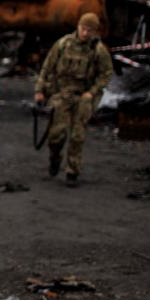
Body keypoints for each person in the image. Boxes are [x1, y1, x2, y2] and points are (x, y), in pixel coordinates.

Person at [34, 12, 114, 186]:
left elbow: (106, 74)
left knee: (77, 136)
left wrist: (92, 92)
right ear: (78, 26)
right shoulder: (63, 44)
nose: (85, 33)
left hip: (83, 96)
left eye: (90, 30)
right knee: (57, 135)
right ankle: (54, 158)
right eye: (83, 29)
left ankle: (72, 171)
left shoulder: (98, 50)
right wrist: (40, 89)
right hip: (62, 94)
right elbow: (47, 67)